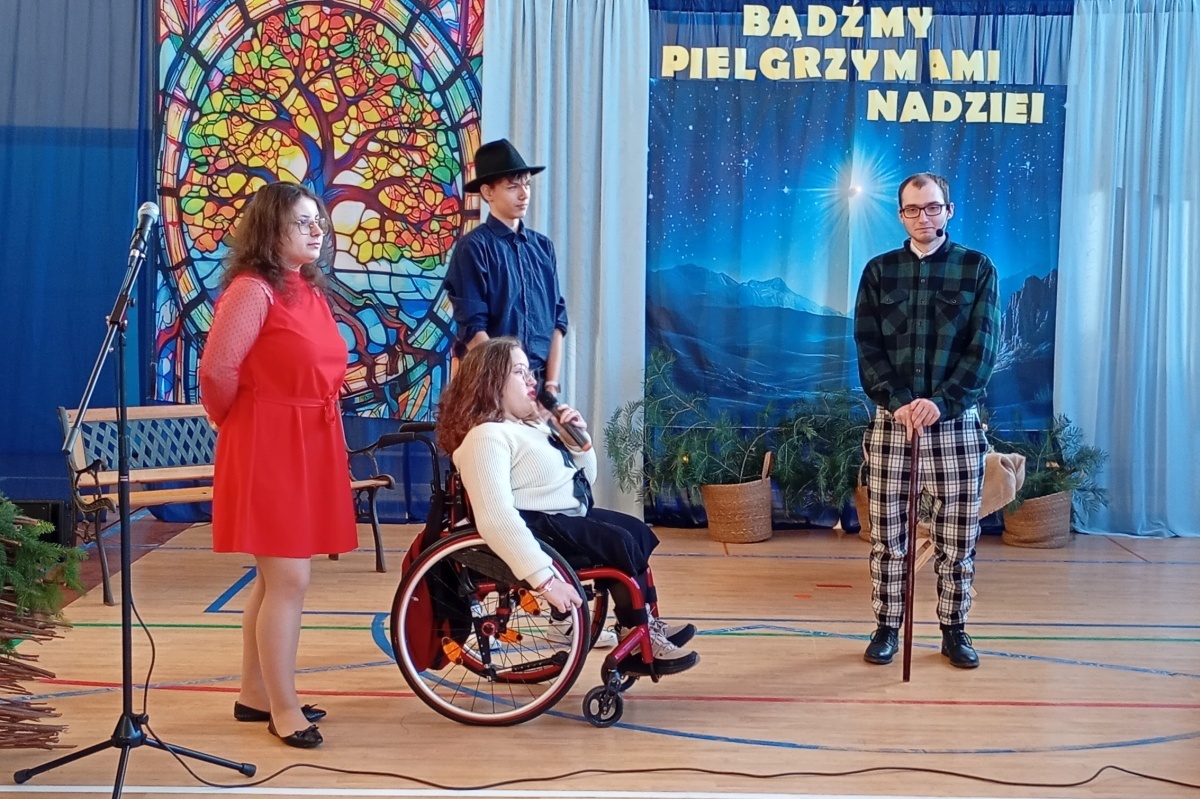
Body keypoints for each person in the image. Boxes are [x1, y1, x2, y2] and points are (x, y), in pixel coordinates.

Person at [199, 182, 357, 748]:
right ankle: (284, 709)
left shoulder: (305, 288)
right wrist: (247, 424)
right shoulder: (252, 290)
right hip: (268, 440)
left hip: (306, 438)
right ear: (270, 230)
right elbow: (217, 373)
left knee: (274, 579)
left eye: (319, 222)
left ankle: (255, 693)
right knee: (290, 578)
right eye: (302, 223)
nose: (317, 231)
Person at [436, 337, 700, 675]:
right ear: (491, 383)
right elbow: (495, 517)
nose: (531, 379)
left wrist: (578, 441)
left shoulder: (529, 427)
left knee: (634, 530)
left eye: (529, 371)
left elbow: (583, 480)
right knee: (617, 542)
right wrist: (546, 581)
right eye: (519, 372)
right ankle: (637, 636)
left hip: (560, 516)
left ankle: (643, 625)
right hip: (534, 524)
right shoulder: (485, 436)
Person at [853, 172, 1000, 669]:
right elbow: (868, 346)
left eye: (933, 207)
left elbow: (983, 349)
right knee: (888, 537)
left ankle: (954, 629)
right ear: (900, 215)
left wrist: (942, 401)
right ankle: (886, 627)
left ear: (948, 210)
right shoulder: (879, 271)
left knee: (957, 539)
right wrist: (898, 400)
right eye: (913, 209)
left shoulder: (977, 269)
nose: (923, 217)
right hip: (893, 423)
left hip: (954, 424)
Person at [444, 139, 568, 395]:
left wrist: (551, 387)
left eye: (527, 185)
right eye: (513, 187)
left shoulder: (543, 247)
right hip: (490, 385)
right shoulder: (473, 247)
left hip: (539, 388)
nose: (524, 194)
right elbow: (474, 330)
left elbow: (558, 320)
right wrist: (511, 382)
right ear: (488, 192)